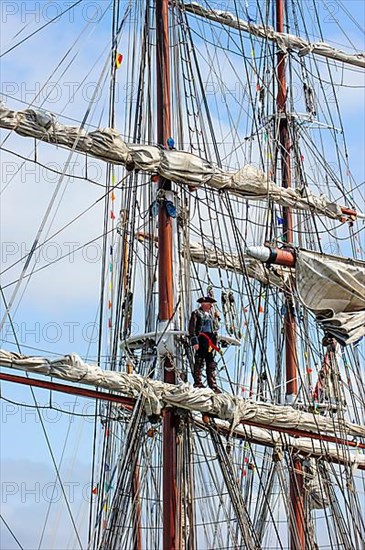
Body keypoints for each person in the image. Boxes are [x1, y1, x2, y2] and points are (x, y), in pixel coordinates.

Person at [188, 296, 221, 393]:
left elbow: (214, 328)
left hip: (210, 341)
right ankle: (198, 382)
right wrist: (194, 341)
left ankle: (213, 385)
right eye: (209, 303)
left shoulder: (210, 316)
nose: (211, 305)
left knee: (210, 363)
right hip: (201, 339)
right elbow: (192, 328)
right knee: (199, 361)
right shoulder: (197, 313)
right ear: (203, 304)